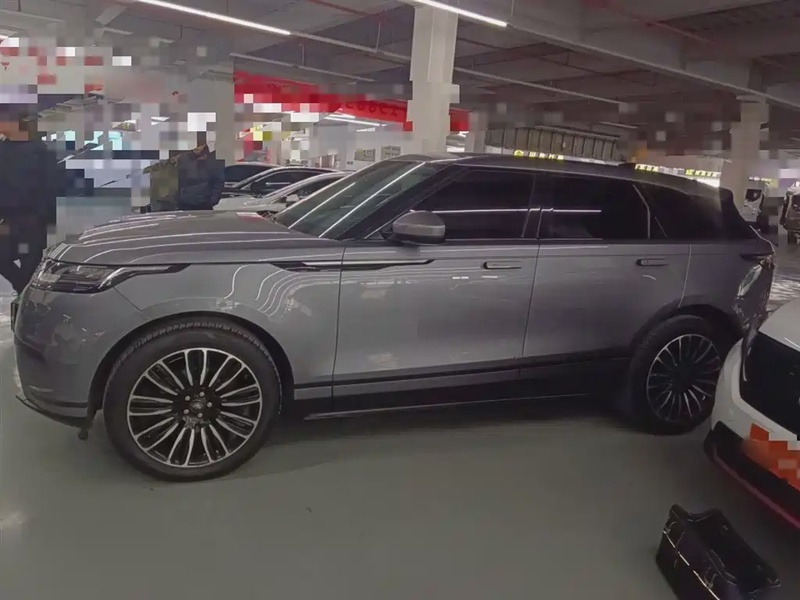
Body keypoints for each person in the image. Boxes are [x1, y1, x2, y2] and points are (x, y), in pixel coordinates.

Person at [0, 107, 58, 296]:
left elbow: (49, 188)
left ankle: (26, 298)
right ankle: (24, 292)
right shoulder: (3, 149)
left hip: (32, 222)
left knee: (30, 264)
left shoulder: (40, 151)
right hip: (8, 221)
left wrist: (43, 220)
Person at [175, 133, 225, 211]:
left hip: (204, 204)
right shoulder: (183, 159)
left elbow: (219, 181)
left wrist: (212, 200)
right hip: (185, 203)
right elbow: (178, 179)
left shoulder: (212, 161)